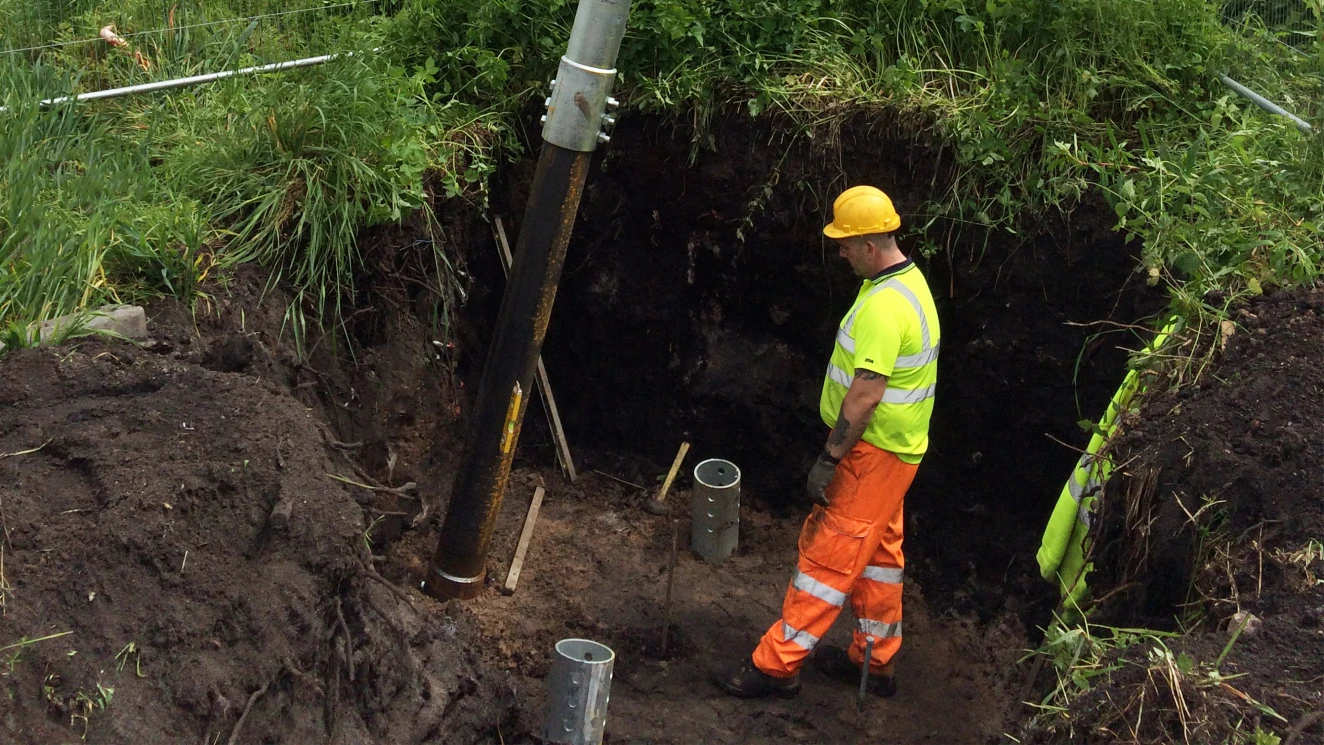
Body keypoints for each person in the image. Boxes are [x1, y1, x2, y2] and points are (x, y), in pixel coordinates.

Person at [713, 185, 941, 699]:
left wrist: (829, 457)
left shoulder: (884, 307)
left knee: (829, 558)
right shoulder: (908, 283)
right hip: (898, 449)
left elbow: (865, 395)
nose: (840, 253)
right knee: (880, 559)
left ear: (869, 244)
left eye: (845, 244)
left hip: (872, 453)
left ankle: (776, 666)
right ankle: (875, 663)